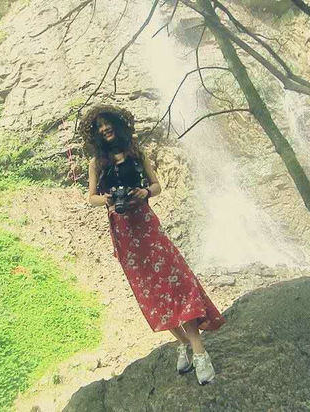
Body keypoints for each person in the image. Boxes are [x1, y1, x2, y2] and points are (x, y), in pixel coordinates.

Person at [80, 104, 226, 385]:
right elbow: (91, 198)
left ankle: (199, 353)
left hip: (146, 226)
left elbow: (156, 186)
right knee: (150, 292)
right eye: (98, 126)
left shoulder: (137, 154)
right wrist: (108, 199)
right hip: (124, 234)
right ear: (96, 134)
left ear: (117, 125)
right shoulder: (96, 163)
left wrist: (144, 192)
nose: (104, 128)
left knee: (175, 281)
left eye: (107, 122)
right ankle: (182, 342)